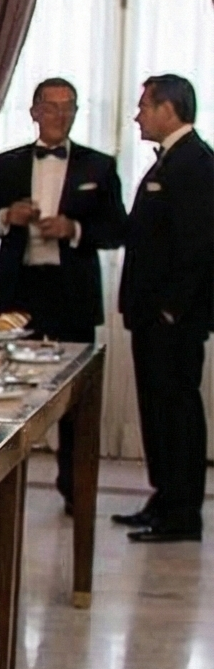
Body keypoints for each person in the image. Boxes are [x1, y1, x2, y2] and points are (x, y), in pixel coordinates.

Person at [0, 78, 127, 504]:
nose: (59, 115)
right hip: (17, 294)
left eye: (68, 107)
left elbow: (117, 230)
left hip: (71, 293)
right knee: (4, 393)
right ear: (34, 111)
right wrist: (7, 215)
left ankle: (75, 490)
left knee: (75, 400)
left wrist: (73, 229)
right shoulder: (8, 163)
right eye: (51, 106)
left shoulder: (99, 166)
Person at [115, 73, 214, 543]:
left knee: (177, 412)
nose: (138, 115)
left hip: (173, 320)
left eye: (144, 107)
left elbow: (199, 246)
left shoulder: (195, 163)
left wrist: (173, 309)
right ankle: (165, 497)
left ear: (169, 110)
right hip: (152, 316)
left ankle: (181, 512)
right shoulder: (171, 161)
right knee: (157, 410)